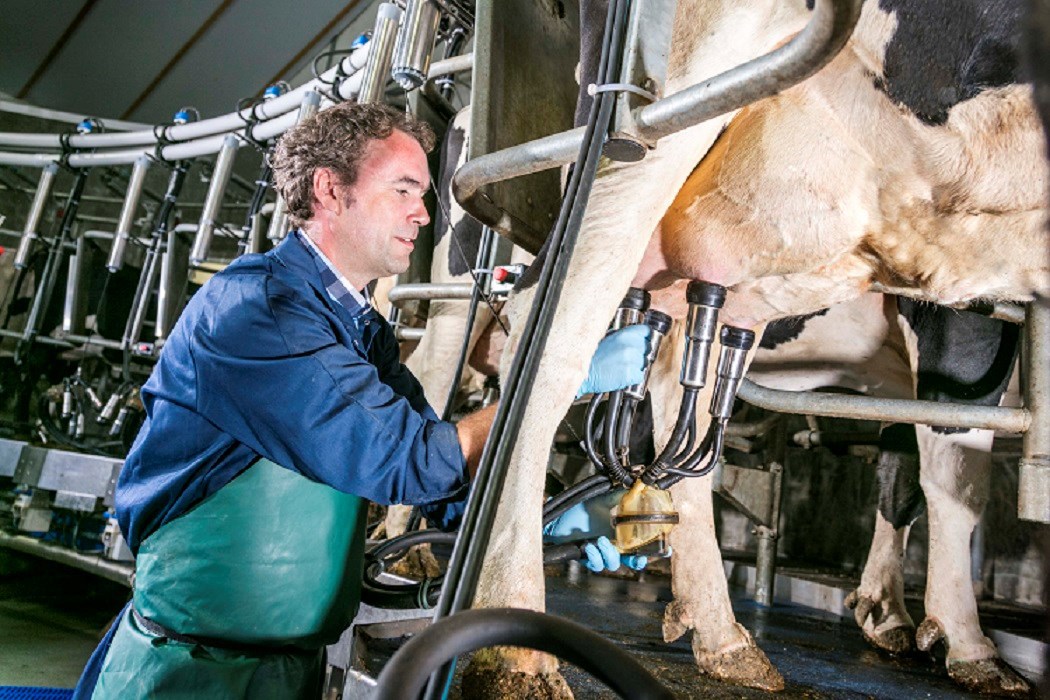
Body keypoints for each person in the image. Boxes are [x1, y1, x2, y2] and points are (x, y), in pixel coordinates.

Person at [73, 102, 651, 699]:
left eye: (423, 195)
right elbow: (407, 461)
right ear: (329, 189)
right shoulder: (257, 312)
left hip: (286, 671)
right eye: (404, 189)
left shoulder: (359, 328)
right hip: (189, 676)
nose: (424, 215)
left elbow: (447, 485)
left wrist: (555, 525)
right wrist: (558, 377)